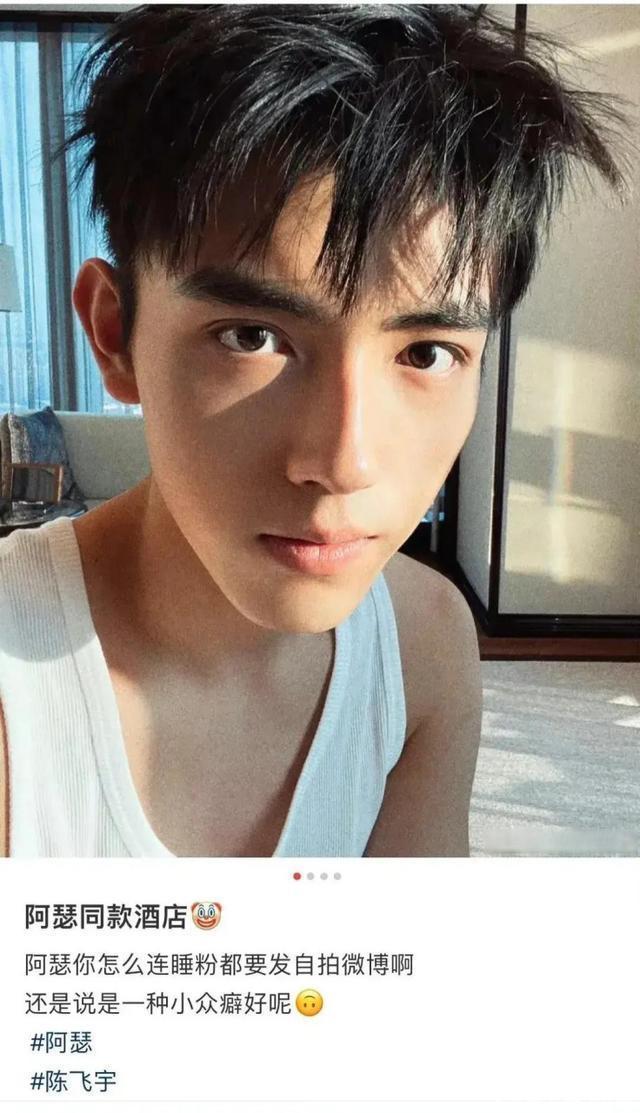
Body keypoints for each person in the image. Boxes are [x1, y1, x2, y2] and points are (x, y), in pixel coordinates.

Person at [0, 4, 629, 857]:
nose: (344, 462)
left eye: (427, 352)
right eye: (252, 337)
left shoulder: (423, 644)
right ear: (115, 335)